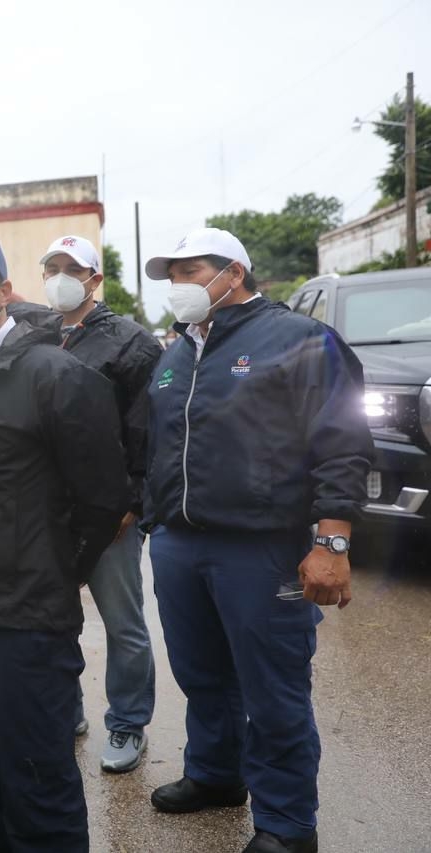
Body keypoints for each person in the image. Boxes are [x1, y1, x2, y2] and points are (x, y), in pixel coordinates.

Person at [142, 228, 374, 853]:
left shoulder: (298, 340)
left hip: (261, 546)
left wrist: (332, 543)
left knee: (273, 688)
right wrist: (152, 519)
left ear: (233, 272)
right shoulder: (178, 353)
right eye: (171, 275)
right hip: (181, 544)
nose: (178, 286)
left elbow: (343, 443)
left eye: (189, 272)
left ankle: (289, 823)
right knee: (202, 675)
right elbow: (156, 445)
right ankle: (217, 776)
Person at [0, 228, 131, 852]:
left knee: (38, 787)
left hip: (26, 623)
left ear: (4, 291)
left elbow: (103, 500)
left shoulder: (54, 375)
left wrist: (52, 569)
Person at [40, 235, 160, 773]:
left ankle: (128, 723)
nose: (61, 276)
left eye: (73, 268)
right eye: (53, 267)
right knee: (54, 618)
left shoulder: (131, 343)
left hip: (110, 512)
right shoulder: (32, 336)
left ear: (95, 279)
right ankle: (67, 713)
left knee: (122, 621)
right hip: (48, 511)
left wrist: (131, 503)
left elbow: (147, 432)